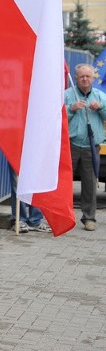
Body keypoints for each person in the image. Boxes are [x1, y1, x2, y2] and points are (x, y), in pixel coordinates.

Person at [64, 63, 106, 231]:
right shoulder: (68, 95)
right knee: (65, 182)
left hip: (91, 145)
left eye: (88, 76)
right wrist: (71, 109)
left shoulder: (99, 96)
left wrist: (101, 108)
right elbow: (56, 116)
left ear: (92, 78)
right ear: (76, 78)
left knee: (89, 183)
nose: (85, 79)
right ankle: (64, 216)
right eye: (81, 76)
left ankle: (89, 218)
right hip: (71, 144)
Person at [8, 166, 51, 233]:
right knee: (18, 184)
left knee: (37, 183)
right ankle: (20, 220)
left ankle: (35, 221)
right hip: (17, 155)